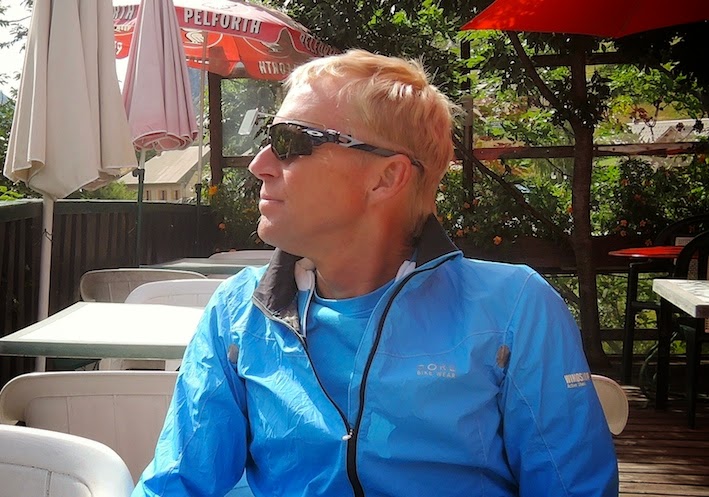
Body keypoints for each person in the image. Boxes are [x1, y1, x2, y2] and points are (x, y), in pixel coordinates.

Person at [132, 49, 619, 497]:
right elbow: (175, 485)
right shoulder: (238, 313)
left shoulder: (513, 310)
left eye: (290, 141)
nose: (260, 164)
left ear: (386, 177)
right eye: (267, 138)